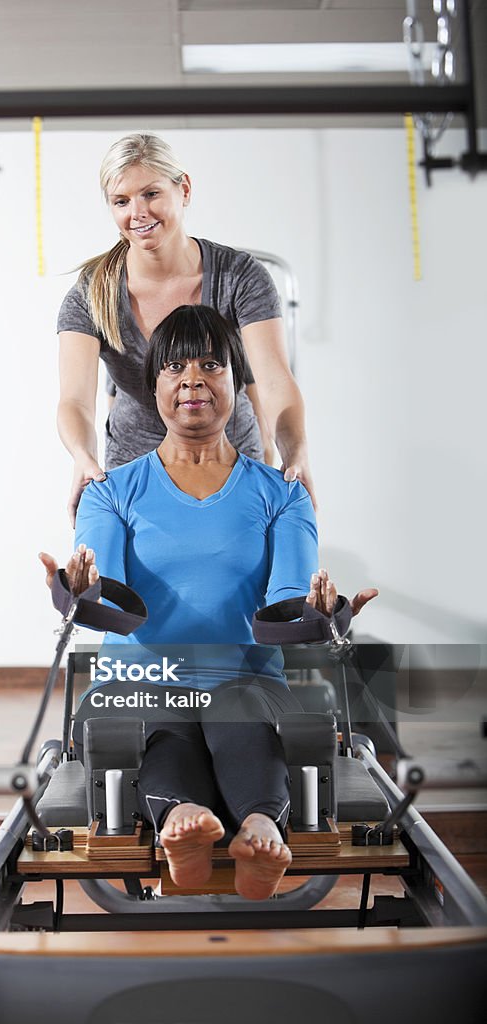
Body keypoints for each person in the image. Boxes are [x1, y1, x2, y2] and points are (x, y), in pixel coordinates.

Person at [41, 306, 376, 899]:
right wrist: (77, 591)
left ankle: (250, 828)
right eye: (174, 367)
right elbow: (118, 610)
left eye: (210, 365)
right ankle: (190, 826)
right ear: (152, 387)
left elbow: (283, 616)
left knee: (236, 714)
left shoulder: (283, 495)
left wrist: (326, 616)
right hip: (143, 678)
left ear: (237, 386)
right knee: (166, 723)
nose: (192, 379)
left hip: (243, 678)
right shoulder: (110, 493)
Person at [57, 132, 316, 525]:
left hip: (231, 458)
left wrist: (296, 453)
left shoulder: (239, 277)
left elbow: (276, 381)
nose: (138, 213)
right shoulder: (92, 294)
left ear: (184, 189)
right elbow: (75, 400)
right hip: (136, 467)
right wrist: (82, 456)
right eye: (121, 201)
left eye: (151, 194)